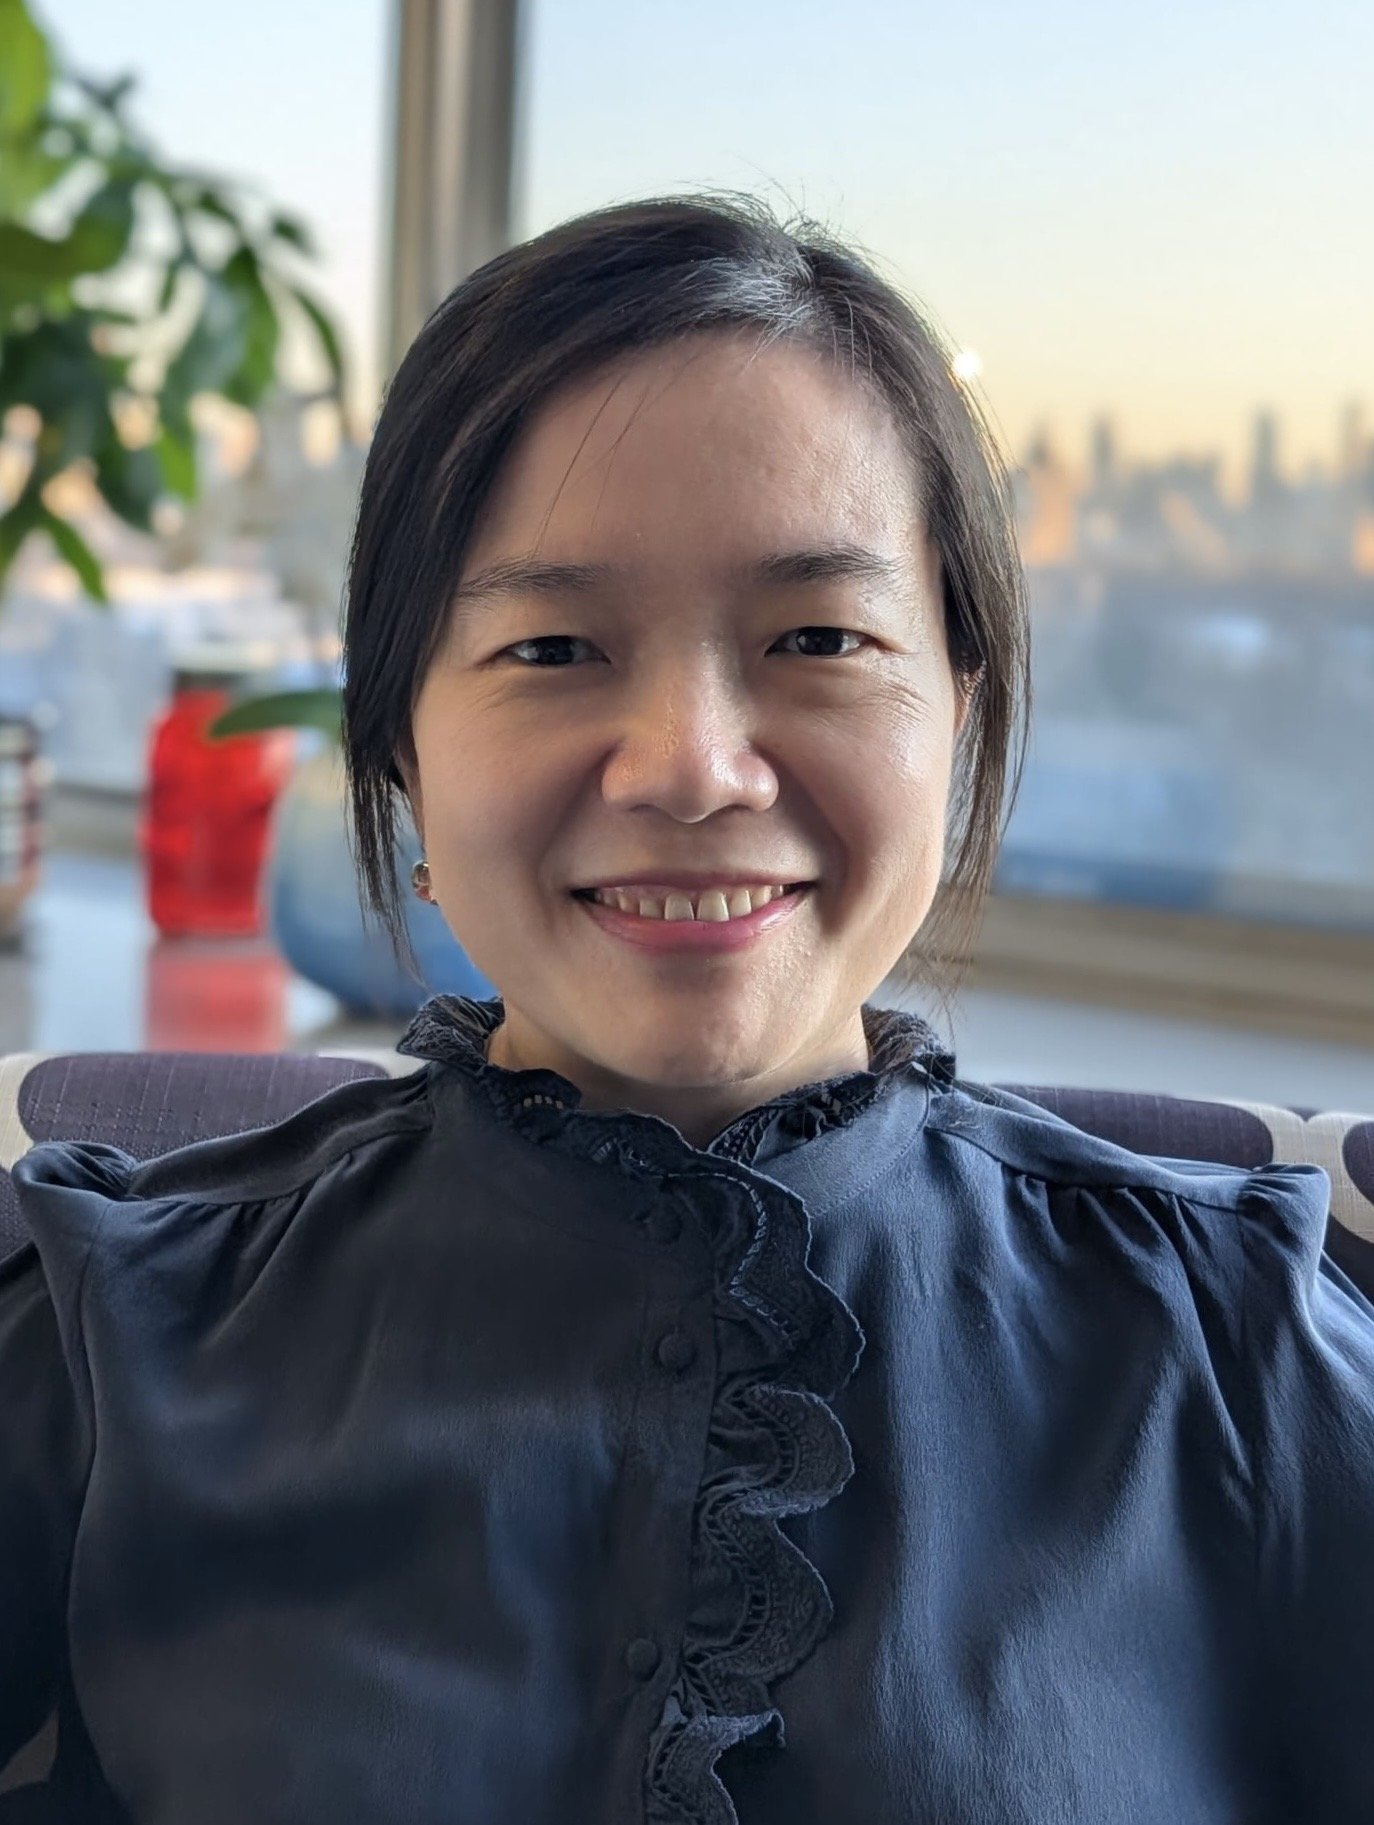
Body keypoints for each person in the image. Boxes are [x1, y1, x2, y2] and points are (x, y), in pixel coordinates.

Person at [2, 192, 1372, 1825]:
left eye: (818, 635)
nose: (691, 768)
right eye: (553, 645)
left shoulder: (1236, 1350)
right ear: (401, 757)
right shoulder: (117, 1335)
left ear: (956, 711)